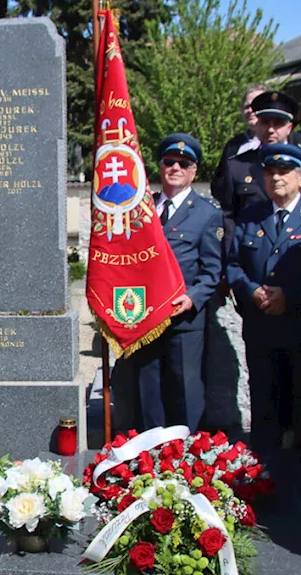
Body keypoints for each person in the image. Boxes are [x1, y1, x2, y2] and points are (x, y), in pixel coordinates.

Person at [225, 142, 301, 478]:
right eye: (270, 172)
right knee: (264, 398)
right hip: (261, 326)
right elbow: (233, 263)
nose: (276, 178)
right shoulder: (251, 215)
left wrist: (292, 295)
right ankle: (263, 469)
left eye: (283, 172)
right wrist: (251, 290)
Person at [125, 134, 222, 431]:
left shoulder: (208, 214)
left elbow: (212, 271)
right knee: (147, 387)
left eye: (184, 163)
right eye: (170, 162)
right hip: (145, 315)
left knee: (185, 388)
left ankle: (185, 454)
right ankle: (148, 452)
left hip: (183, 319)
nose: (175, 167)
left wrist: (192, 297)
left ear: (194, 171)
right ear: (160, 167)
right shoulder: (141, 209)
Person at [214, 90, 301, 238]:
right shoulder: (238, 166)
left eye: (278, 123)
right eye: (265, 122)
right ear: (257, 124)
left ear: (289, 127)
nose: (271, 130)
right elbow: (230, 218)